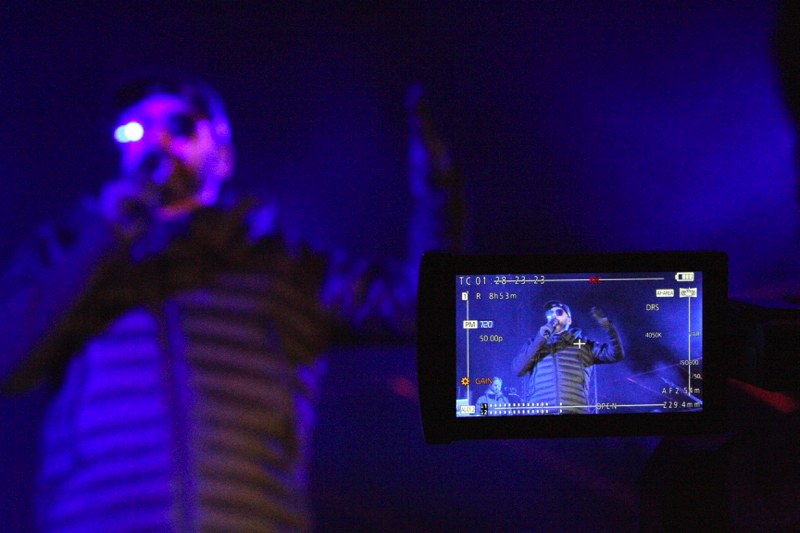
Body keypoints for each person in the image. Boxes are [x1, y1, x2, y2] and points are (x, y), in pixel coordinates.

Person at [0, 74, 464, 532]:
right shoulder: (67, 252)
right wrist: (101, 237)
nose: (157, 141)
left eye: (180, 126)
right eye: (135, 129)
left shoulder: (284, 267)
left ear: (223, 157)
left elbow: (430, 309)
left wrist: (440, 189)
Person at [511, 300, 623, 414]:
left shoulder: (584, 344)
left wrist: (608, 327)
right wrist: (540, 339)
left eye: (559, 312)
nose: (554, 316)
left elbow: (615, 355)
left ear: (569, 320)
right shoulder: (534, 344)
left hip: (574, 411)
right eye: (550, 313)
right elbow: (517, 369)